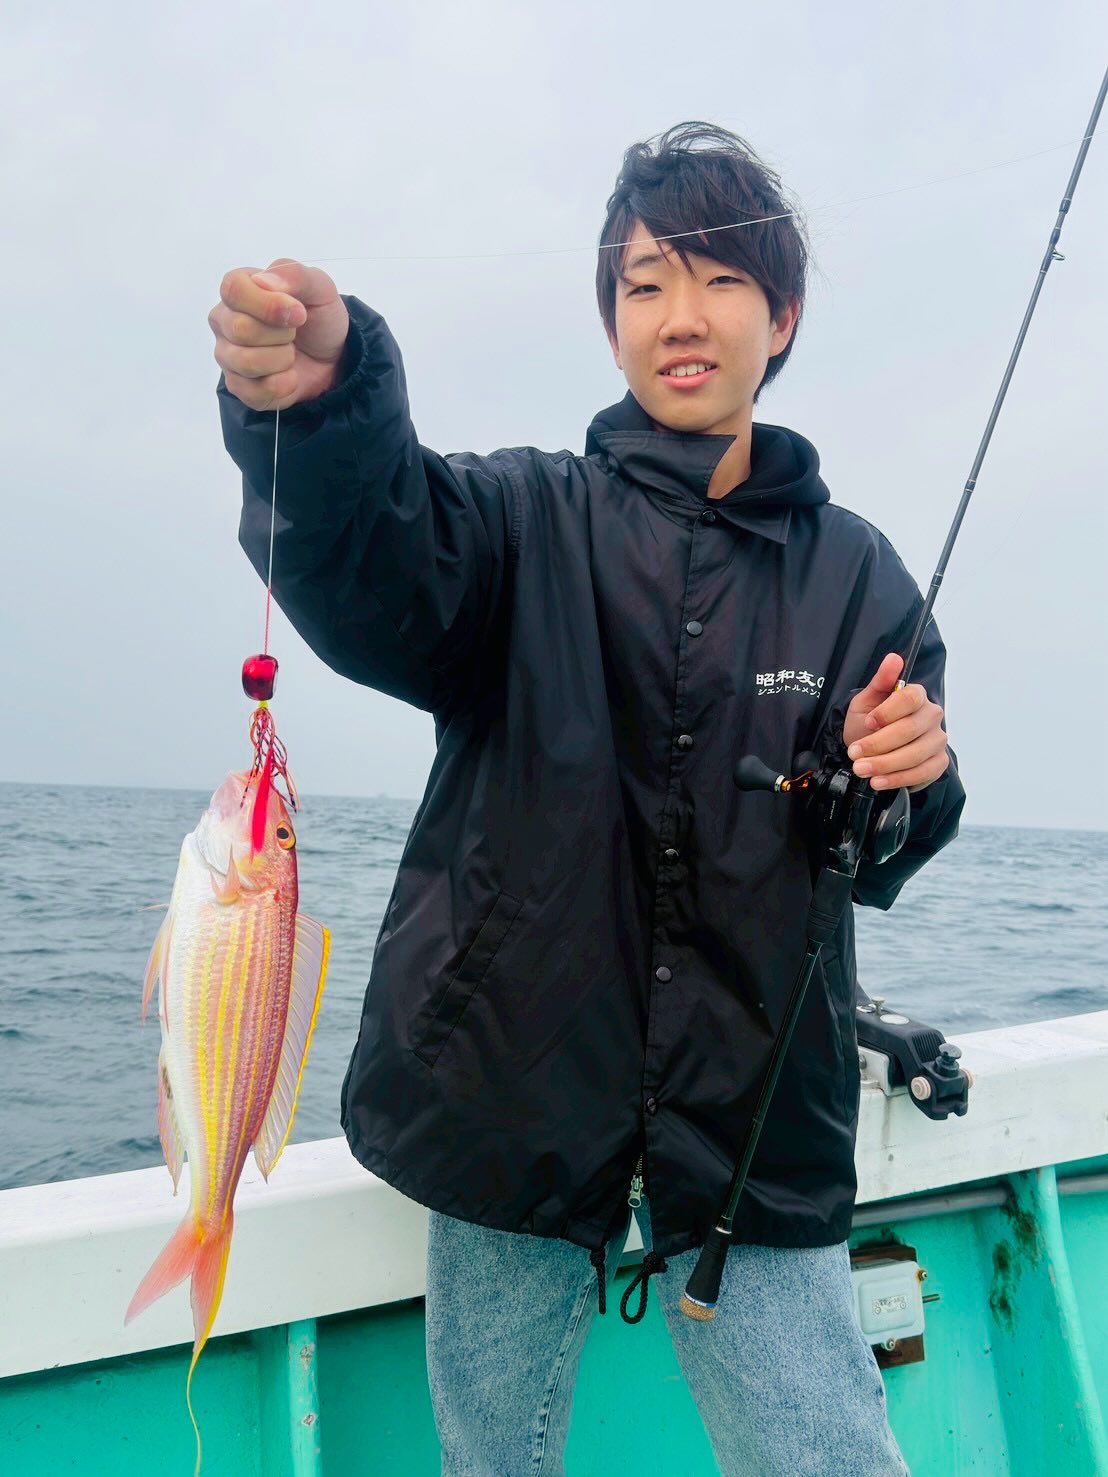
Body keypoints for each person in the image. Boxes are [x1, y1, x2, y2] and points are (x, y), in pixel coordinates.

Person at [212, 122, 964, 1476]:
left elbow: (885, 840)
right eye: (644, 282)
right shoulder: (517, 521)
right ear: (611, 320)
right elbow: (378, 555)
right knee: (495, 1459)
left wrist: (910, 772)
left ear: (783, 317)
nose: (681, 316)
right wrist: (323, 406)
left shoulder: (861, 576)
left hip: (755, 1123)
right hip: (507, 1099)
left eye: (721, 280)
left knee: (831, 1454)